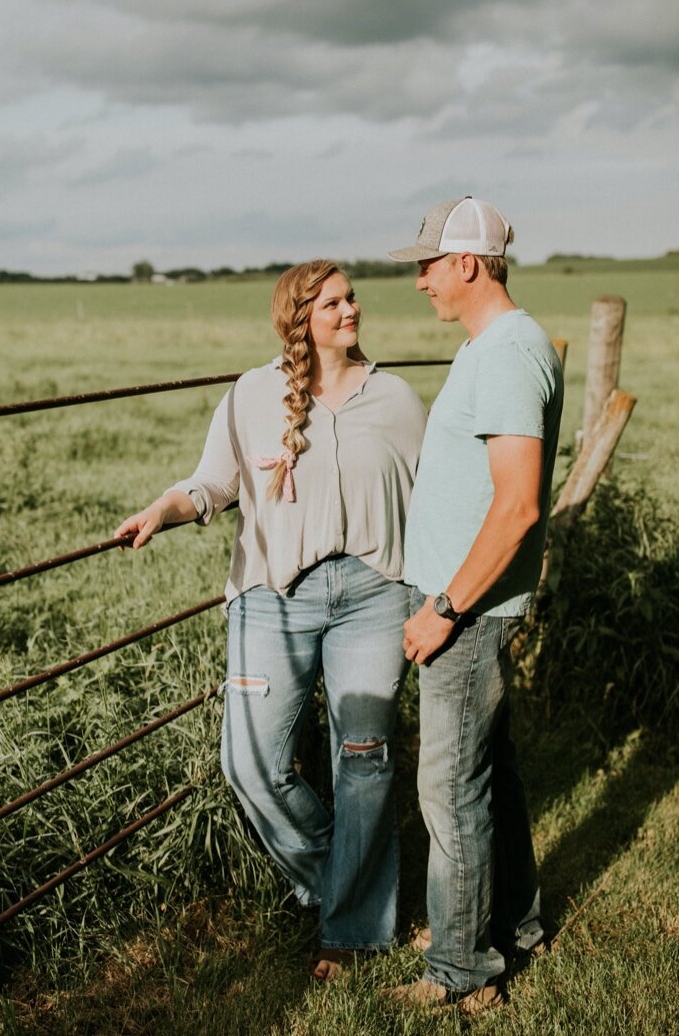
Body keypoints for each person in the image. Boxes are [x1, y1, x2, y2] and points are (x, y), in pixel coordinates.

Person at [115, 259, 426, 979]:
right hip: (271, 593)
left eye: (353, 298)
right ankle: (346, 887)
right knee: (250, 764)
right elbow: (212, 484)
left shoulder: (398, 399)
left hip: (375, 593)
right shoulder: (253, 395)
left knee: (364, 762)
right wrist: (161, 511)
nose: (352, 310)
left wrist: (438, 596)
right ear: (300, 317)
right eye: (335, 303)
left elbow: (432, 501)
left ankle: (351, 932)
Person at [382, 197, 560, 1015]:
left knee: (449, 789)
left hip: (468, 608)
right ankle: (514, 924)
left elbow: (518, 505)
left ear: (468, 263)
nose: (419, 281)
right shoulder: (489, 347)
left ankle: (460, 969)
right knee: (491, 775)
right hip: (466, 601)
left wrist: (445, 607)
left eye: (427, 264)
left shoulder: (510, 355)